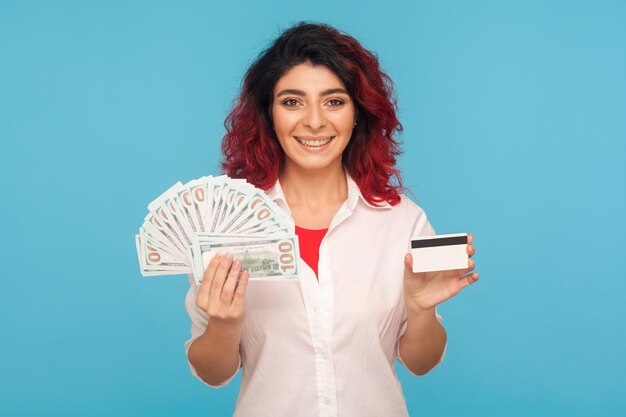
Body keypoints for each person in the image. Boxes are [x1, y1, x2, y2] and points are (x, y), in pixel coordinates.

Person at [184, 22, 479, 417]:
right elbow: (212, 373)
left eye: (334, 101)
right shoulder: (226, 226)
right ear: (268, 114)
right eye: (292, 102)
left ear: (358, 113)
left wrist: (421, 311)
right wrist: (223, 323)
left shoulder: (403, 222)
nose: (314, 122)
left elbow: (421, 363)